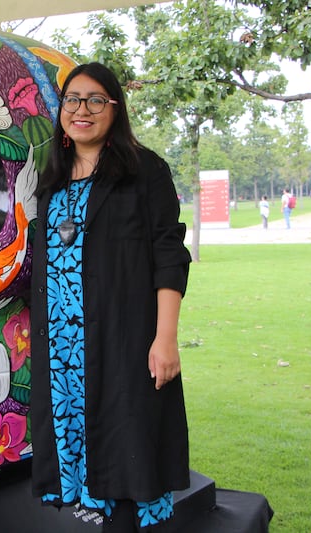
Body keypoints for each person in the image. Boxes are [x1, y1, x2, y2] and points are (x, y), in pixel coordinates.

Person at [30, 63, 192, 532]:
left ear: (115, 109)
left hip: (122, 346)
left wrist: (166, 338)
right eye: (73, 100)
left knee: (128, 469)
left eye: (96, 100)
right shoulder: (53, 180)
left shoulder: (144, 172)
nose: (83, 110)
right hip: (63, 356)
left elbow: (169, 255)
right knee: (84, 477)